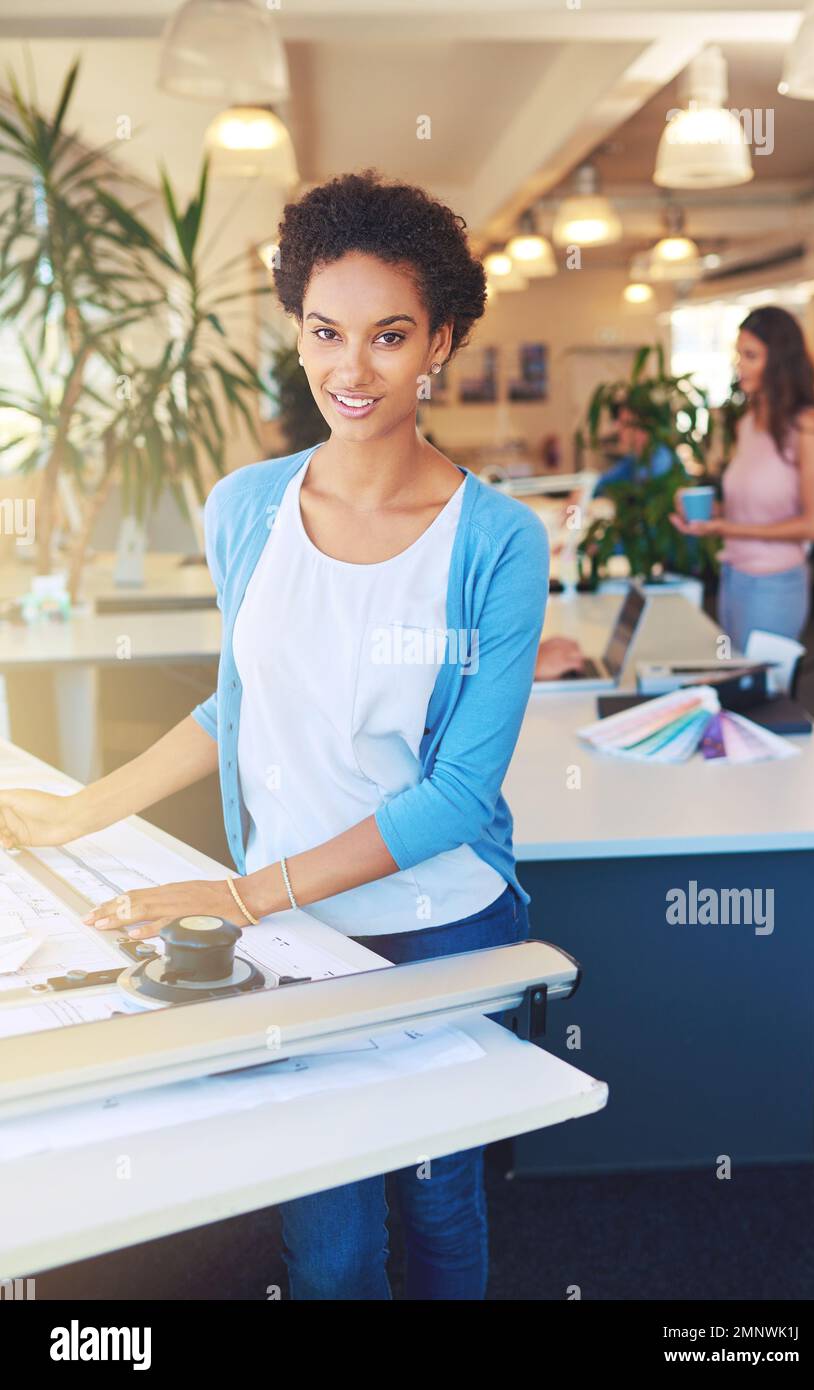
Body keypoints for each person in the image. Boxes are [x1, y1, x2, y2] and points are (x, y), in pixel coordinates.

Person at [0, 170, 550, 1301]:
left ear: (440, 338)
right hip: (295, 931)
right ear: (297, 329)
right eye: (326, 331)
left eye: (391, 336)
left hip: (440, 918)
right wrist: (76, 811)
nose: (353, 371)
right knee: (333, 1232)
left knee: (438, 1189)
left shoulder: (498, 542)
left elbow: (454, 795)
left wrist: (244, 898)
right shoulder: (245, 506)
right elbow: (238, 705)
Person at [671, 306, 814, 653]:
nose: (739, 365)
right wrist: (708, 514)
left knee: (762, 698)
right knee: (736, 685)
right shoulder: (749, 423)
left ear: (779, 362)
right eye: (739, 355)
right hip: (734, 576)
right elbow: (747, 509)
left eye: (751, 356)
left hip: (775, 585)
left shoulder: (810, 426)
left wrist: (725, 529)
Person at [592, 403, 675, 497]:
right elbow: (601, 483)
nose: (618, 427)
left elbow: (648, 501)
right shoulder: (633, 460)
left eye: (625, 423)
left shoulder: (662, 460)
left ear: (644, 427)